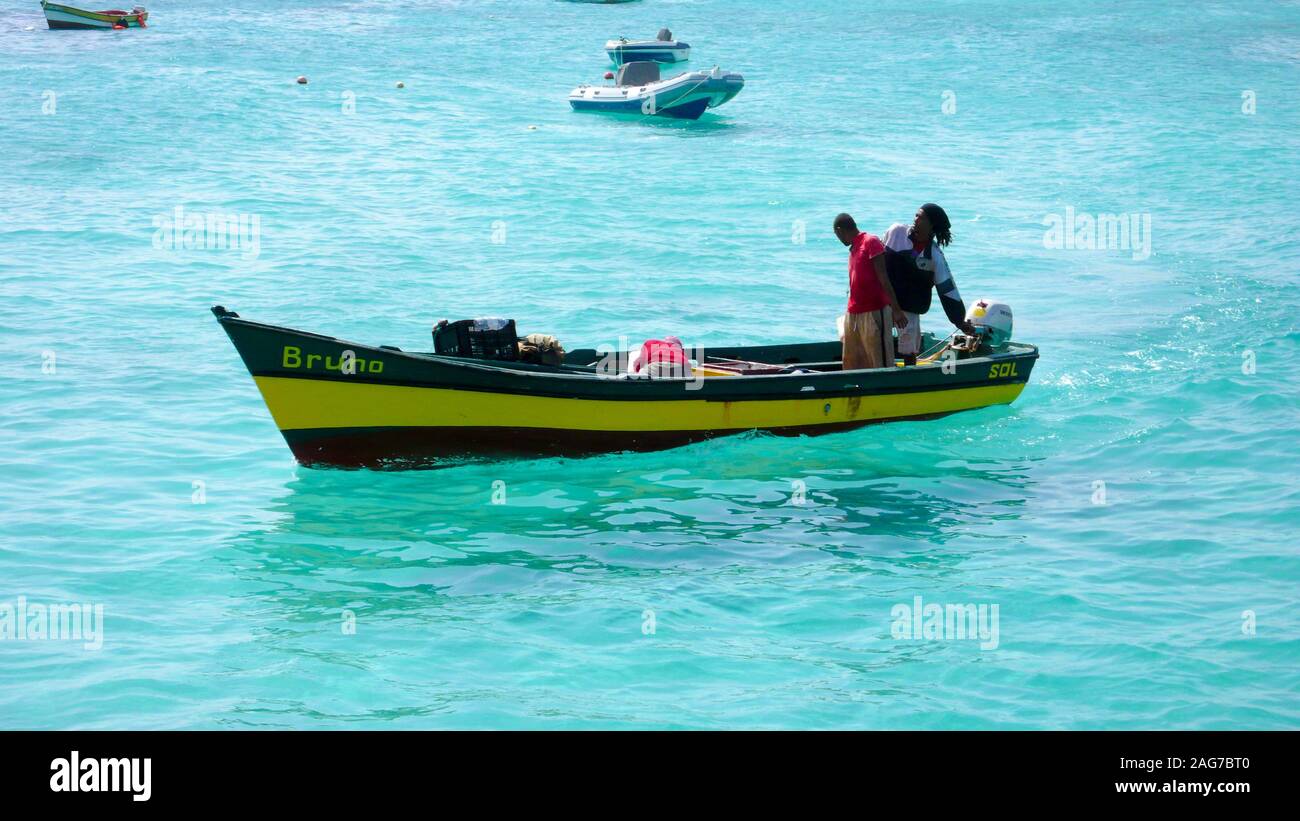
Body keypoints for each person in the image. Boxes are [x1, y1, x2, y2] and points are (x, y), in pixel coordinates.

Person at [882, 203, 977, 366]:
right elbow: (875, 259)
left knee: (910, 343)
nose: (916, 219)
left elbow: (948, 290)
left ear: (932, 225)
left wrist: (959, 321)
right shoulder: (896, 232)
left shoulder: (935, 257)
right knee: (877, 339)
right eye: (916, 215)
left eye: (921, 217)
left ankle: (909, 374)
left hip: (908, 307)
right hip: (883, 300)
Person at [834, 213, 908, 370]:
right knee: (853, 363)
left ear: (840, 230)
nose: (838, 239)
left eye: (837, 235)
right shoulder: (853, 249)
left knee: (879, 362)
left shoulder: (870, 241)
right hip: (853, 313)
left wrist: (896, 310)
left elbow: (884, 278)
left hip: (874, 312)